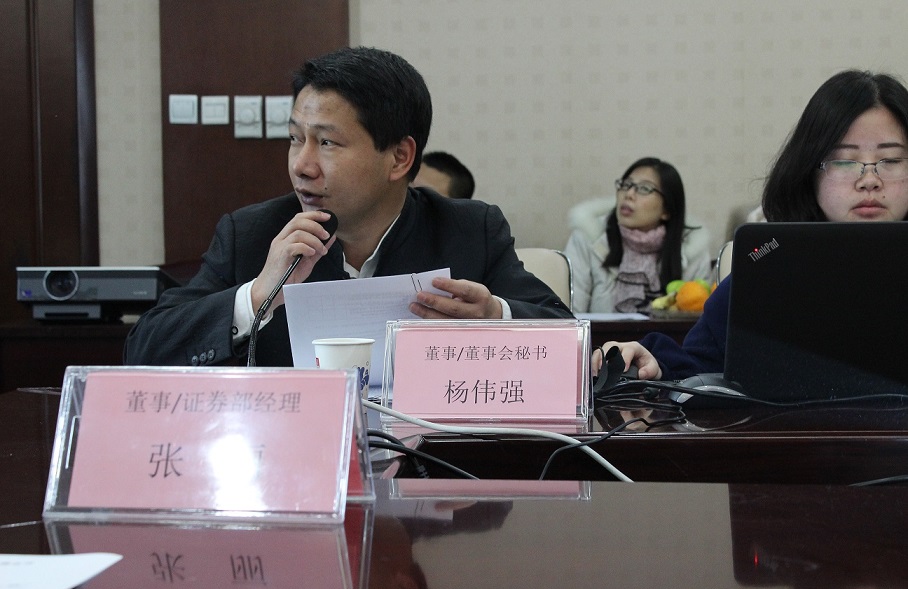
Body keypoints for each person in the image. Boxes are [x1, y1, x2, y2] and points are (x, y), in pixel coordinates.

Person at [124, 47, 571, 367]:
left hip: (430, 462)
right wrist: (257, 297)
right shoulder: (253, 234)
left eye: (327, 143)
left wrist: (495, 317)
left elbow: (567, 337)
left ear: (399, 157)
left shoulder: (469, 230)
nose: (301, 166)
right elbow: (143, 348)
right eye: (296, 138)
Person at [599, 70, 908, 380]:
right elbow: (700, 366)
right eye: (845, 161)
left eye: (891, 160)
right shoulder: (770, 261)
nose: (869, 180)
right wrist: (653, 363)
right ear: (809, 172)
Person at [564, 157, 712, 313]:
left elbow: (698, 318)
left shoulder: (692, 250)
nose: (629, 194)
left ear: (667, 209)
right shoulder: (588, 238)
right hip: (597, 331)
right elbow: (569, 315)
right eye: (626, 185)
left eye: (644, 189)